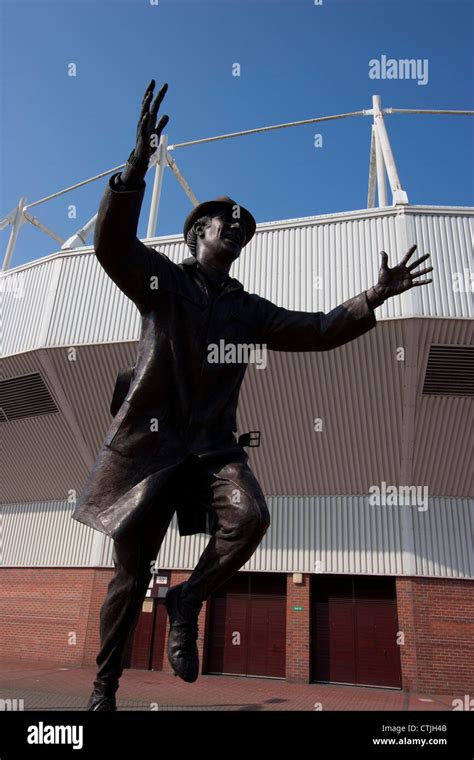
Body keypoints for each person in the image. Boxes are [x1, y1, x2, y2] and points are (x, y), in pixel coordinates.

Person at [72, 80, 433, 711]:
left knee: (252, 516)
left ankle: (187, 599)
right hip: (149, 451)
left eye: (244, 229)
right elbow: (110, 245)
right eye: (226, 224)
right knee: (129, 577)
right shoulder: (161, 281)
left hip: (210, 449)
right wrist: (134, 167)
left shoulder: (248, 311)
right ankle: (104, 689)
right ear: (197, 234)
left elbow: (318, 329)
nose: (237, 231)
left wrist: (371, 298)